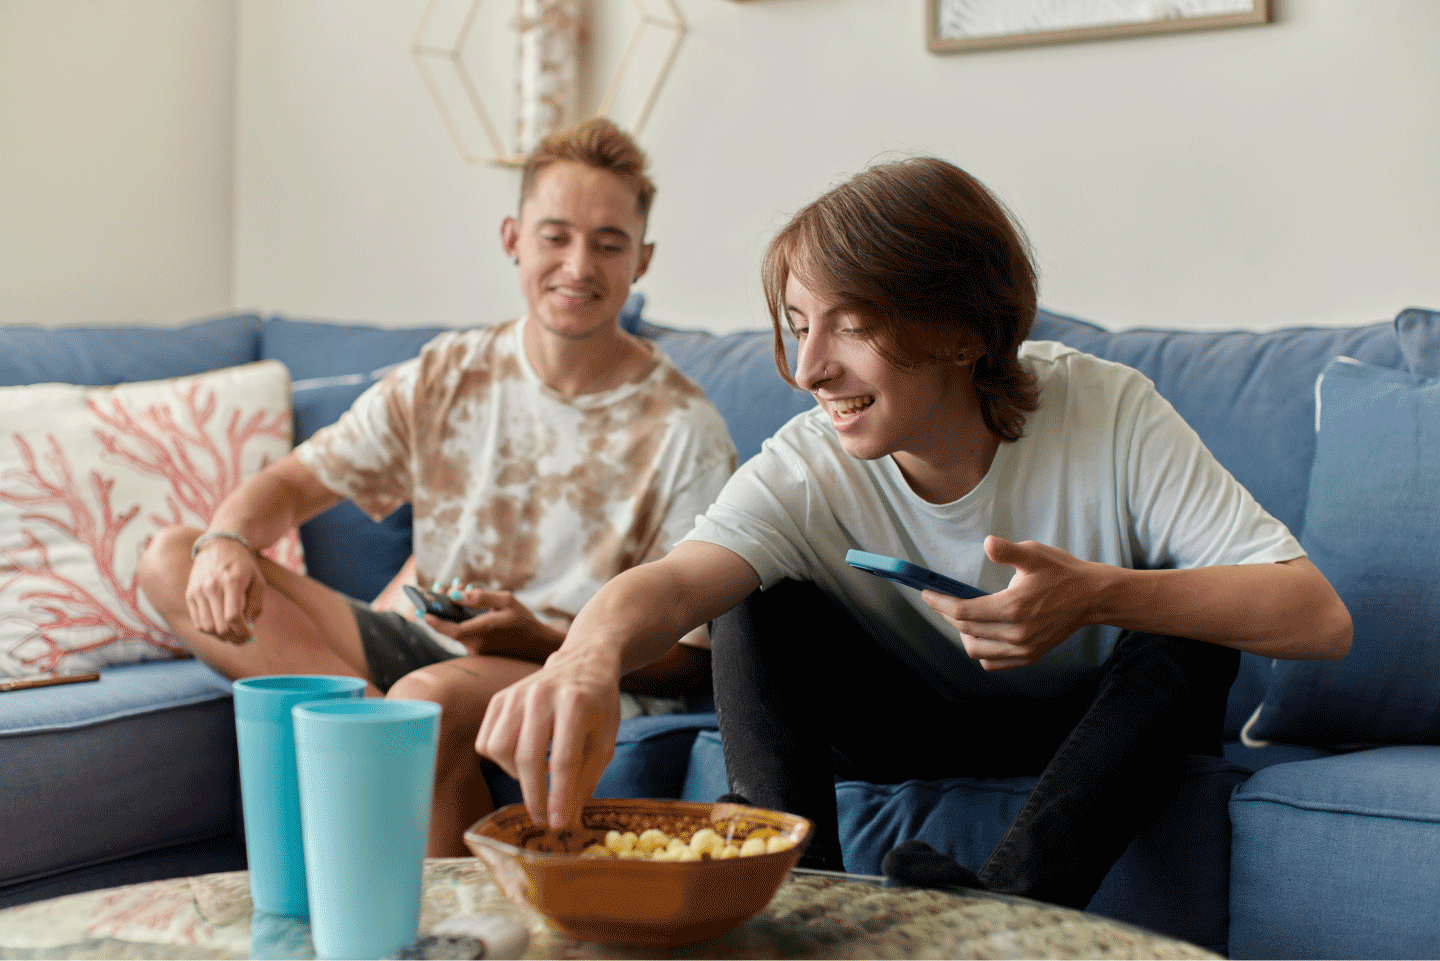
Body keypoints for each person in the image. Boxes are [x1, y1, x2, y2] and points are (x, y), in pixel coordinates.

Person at [474, 156, 1352, 908]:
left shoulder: (1107, 410)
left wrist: (1097, 593)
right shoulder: (810, 462)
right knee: (756, 603)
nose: (813, 367)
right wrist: (583, 660)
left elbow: (1317, 617)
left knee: (1188, 640)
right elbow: (674, 582)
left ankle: (1009, 907)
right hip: (903, 720)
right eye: (798, 325)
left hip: (1092, 735)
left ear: (964, 330)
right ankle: (798, 907)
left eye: (850, 324)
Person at [137, 118, 738, 857]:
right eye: (555, 236)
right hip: (419, 638)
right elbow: (294, 483)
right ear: (512, 238)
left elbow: (692, 658)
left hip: (560, 666)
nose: (578, 264)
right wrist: (227, 541)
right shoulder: (448, 372)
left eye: (608, 243)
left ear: (640, 260)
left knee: (425, 703)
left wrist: (546, 638)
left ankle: (380, 753)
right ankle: (374, 736)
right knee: (172, 554)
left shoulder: (685, 426)